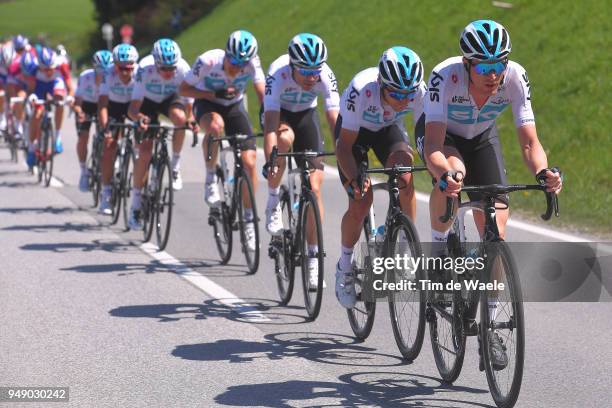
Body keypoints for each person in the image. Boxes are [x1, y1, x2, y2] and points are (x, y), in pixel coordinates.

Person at [420, 20, 563, 369]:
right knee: (456, 172)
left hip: (483, 137)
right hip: (443, 138)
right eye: (484, 67)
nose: (493, 74)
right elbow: (434, 146)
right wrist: (445, 175)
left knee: (495, 231)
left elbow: (530, 142)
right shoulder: (444, 76)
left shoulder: (515, 77)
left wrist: (544, 172)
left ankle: (492, 326)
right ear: (467, 64)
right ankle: (440, 251)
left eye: (498, 66)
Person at [334, 47, 426, 308]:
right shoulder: (361, 89)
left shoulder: (419, 92)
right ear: (380, 84)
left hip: (389, 130)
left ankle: (403, 247)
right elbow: (343, 147)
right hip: (355, 136)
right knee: (361, 200)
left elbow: (427, 136)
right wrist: (354, 179)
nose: (402, 100)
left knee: (405, 178)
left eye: (408, 95)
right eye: (395, 93)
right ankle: (345, 266)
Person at [262, 33, 339, 287]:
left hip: (306, 115)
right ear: (292, 66)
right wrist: (271, 157)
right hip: (279, 115)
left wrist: (343, 149)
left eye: (315, 70)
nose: (311, 77)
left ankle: (313, 257)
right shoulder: (278, 72)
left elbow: (333, 118)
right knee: (283, 141)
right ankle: (273, 199)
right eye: (305, 71)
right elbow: (271, 125)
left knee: (315, 188)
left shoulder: (325, 75)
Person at [179, 30, 265, 250]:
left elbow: (262, 92)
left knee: (250, 161)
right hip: (207, 103)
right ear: (226, 54)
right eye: (234, 60)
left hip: (234, 106)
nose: (237, 67)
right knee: (215, 127)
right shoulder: (207, 61)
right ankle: (210, 176)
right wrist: (212, 94)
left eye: (242, 63)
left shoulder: (252, 64)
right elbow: (184, 88)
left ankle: (248, 218)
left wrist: (266, 118)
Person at [126, 38, 197, 230]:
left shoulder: (183, 68)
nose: (169, 72)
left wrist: (190, 119)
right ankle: (136, 204)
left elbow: (189, 104)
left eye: (172, 68)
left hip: (169, 99)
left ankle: (174, 164)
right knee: (145, 153)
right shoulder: (144, 68)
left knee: (180, 120)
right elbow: (133, 109)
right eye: (164, 69)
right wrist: (140, 118)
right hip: (147, 102)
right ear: (156, 64)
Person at [97, 44, 139, 215]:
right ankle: (106, 191)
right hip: (113, 107)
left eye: (128, 68)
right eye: (121, 68)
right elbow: (102, 104)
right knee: (109, 147)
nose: (124, 72)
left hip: (134, 106)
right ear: (115, 65)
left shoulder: (140, 73)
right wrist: (106, 128)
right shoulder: (108, 73)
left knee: (143, 145)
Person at [73, 50, 113, 191]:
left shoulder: (113, 77)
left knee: (109, 136)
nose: (103, 73)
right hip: (87, 106)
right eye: (100, 69)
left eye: (107, 70)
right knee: (83, 137)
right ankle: (84, 171)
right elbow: (77, 103)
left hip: (104, 106)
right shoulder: (85, 77)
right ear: (94, 67)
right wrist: (80, 113)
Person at [23, 47, 67, 169]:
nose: (48, 71)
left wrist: (71, 98)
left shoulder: (61, 66)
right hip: (39, 88)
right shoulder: (34, 68)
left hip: (55, 84)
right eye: (45, 69)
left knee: (60, 101)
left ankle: (57, 138)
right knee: (37, 113)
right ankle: (32, 148)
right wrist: (31, 98)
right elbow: (31, 89)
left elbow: (69, 85)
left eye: (51, 68)